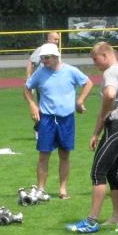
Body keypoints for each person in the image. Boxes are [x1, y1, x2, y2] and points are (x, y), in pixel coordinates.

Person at [66, 42, 118, 234]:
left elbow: (109, 94)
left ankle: (91, 221)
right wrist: (97, 131)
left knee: (97, 172)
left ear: (106, 55)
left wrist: (106, 114)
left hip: (117, 126)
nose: (95, 64)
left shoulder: (111, 72)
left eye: (95, 59)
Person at [23, 42, 92, 201]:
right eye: (42, 58)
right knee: (44, 155)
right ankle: (41, 189)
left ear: (56, 57)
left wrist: (80, 101)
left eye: (46, 58)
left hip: (66, 118)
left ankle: (63, 189)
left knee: (65, 155)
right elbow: (27, 89)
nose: (44, 61)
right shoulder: (40, 73)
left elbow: (88, 83)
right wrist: (33, 105)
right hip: (47, 118)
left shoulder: (70, 71)